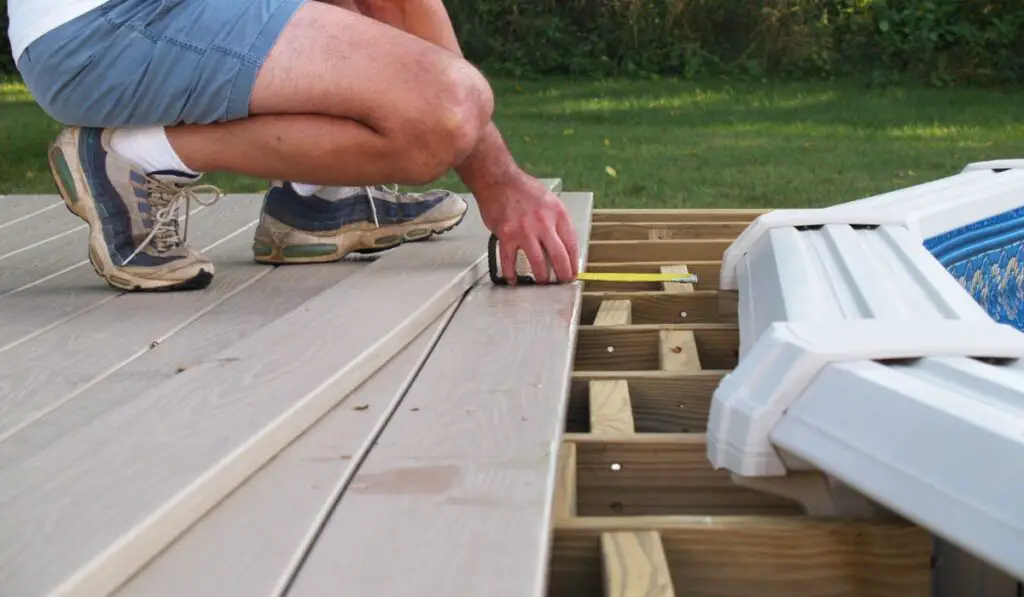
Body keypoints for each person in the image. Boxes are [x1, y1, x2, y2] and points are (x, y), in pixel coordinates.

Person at [6, 0, 581, 291]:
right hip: (106, 29)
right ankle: (136, 154)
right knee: (444, 109)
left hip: (112, 24)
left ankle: (318, 202)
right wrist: (498, 180)